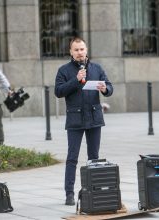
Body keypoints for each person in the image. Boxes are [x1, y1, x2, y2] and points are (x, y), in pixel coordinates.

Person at [55, 37, 113, 206]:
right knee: (72, 157)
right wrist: (76, 79)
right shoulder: (64, 70)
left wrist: (105, 89)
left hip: (94, 118)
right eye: (76, 50)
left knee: (94, 158)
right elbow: (58, 91)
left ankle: (92, 191)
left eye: (82, 49)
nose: (80, 53)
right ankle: (69, 194)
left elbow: (109, 87)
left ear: (86, 50)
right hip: (75, 119)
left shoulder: (97, 68)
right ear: (71, 52)